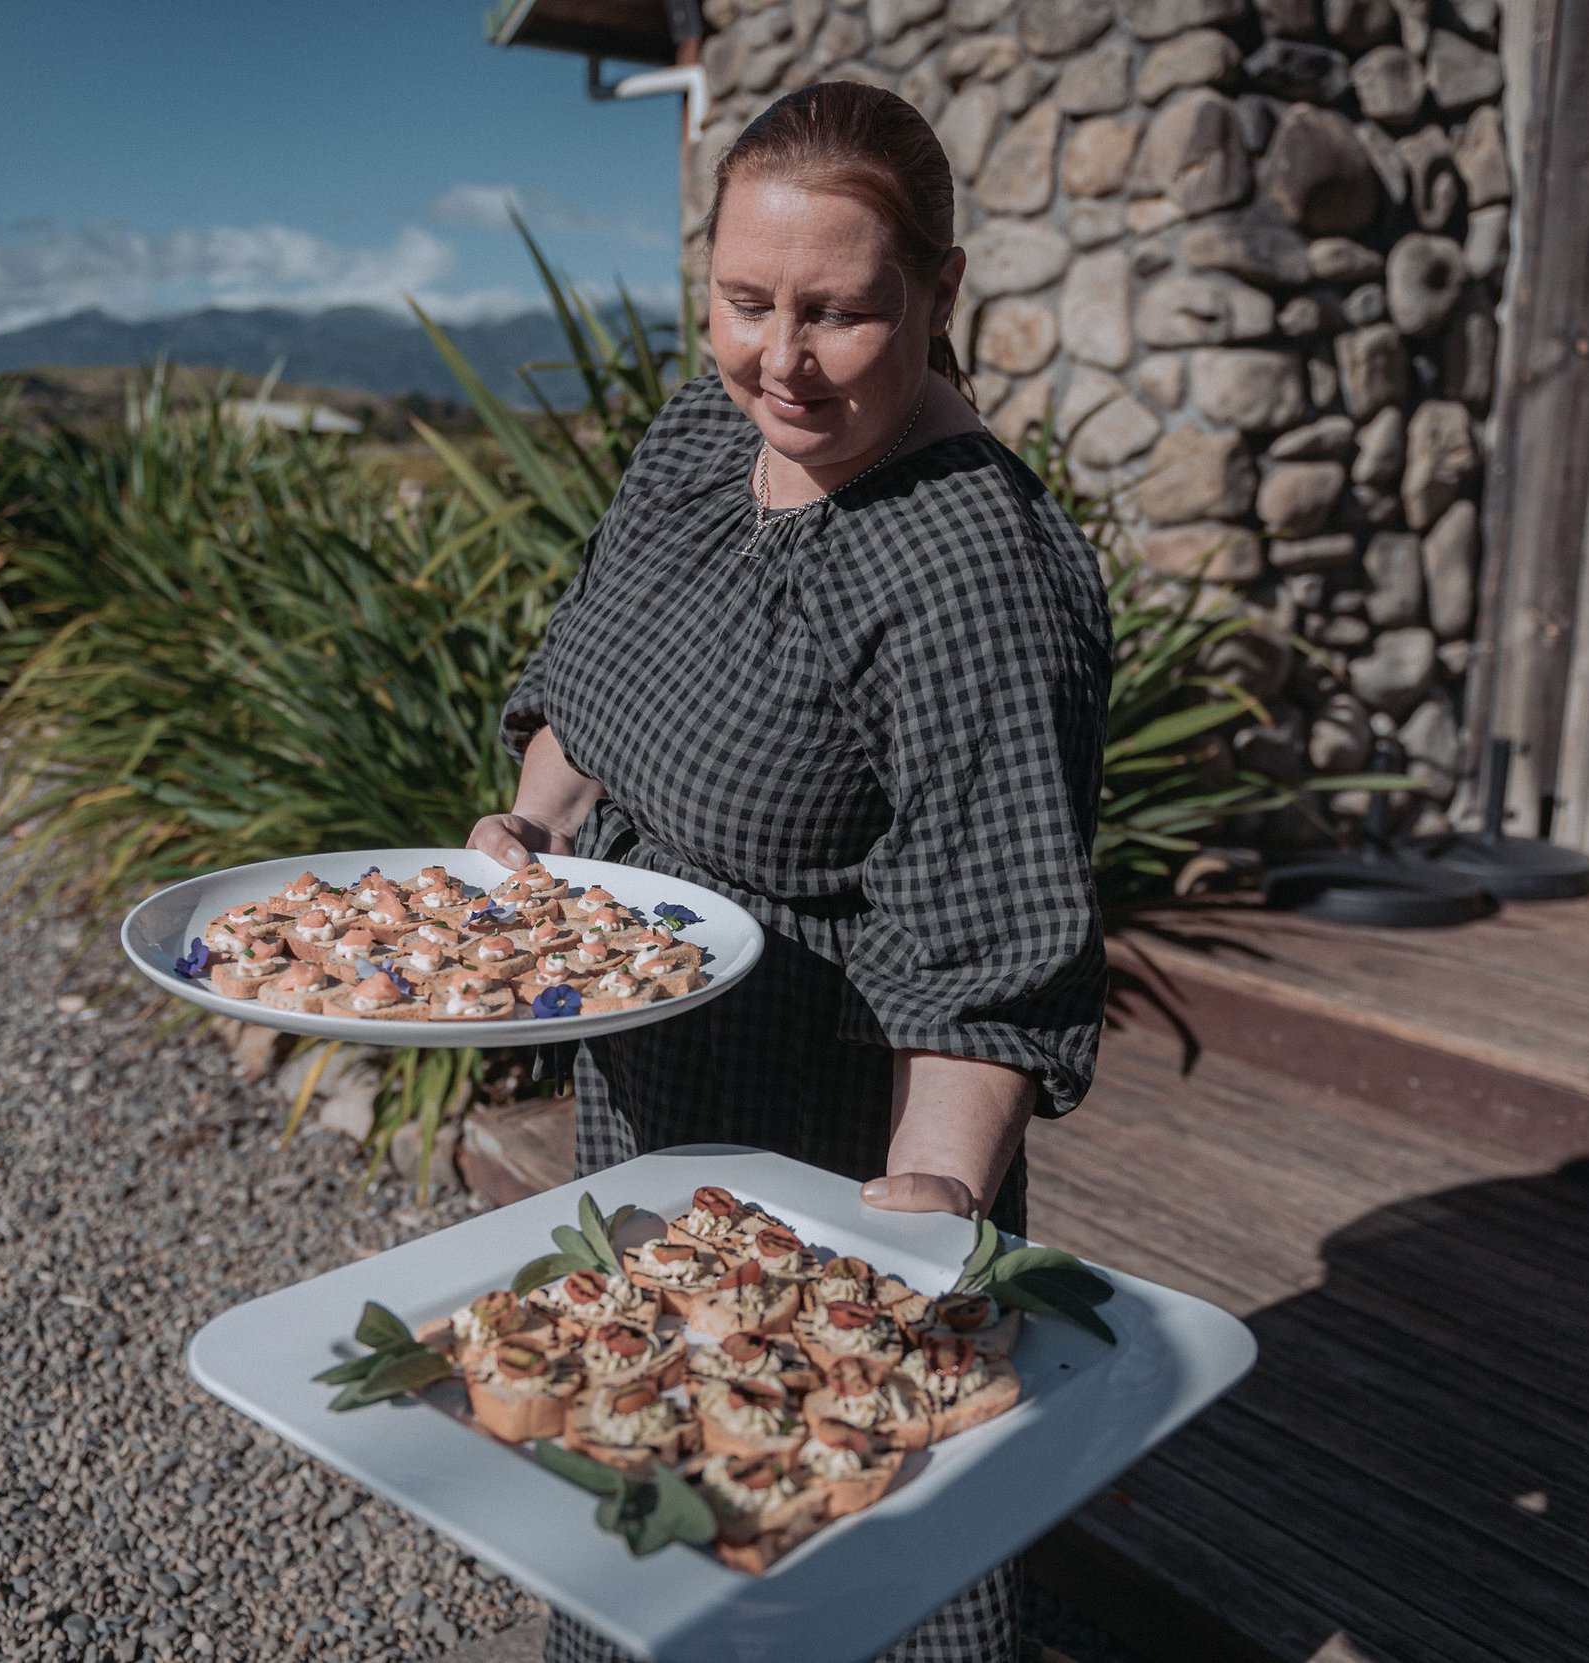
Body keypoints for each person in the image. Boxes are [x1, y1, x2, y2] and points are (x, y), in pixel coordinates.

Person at [469, 82, 1113, 1663]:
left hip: (827, 1150)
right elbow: (596, 670)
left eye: (836, 315)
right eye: (745, 303)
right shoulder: (711, 434)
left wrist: (926, 1212)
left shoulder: (975, 577)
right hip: (650, 1103)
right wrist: (533, 837)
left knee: (839, 1570)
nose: (779, 359)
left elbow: (990, 963)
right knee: (646, 1529)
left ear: (940, 297)